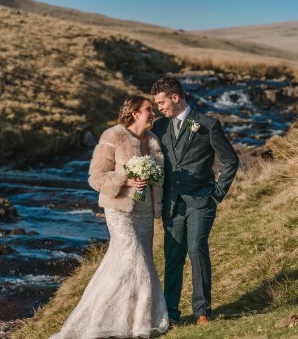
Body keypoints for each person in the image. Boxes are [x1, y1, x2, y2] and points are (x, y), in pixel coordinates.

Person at [50, 95, 168, 338]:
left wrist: (152, 181)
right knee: (138, 262)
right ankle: (138, 325)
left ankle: (124, 322)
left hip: (145, 212)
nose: (153, 113)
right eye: (148, 109)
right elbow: (96, 177)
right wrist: (126, 180)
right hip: (120, 211)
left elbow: (158, 179)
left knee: (123, 265)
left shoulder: (154, 140)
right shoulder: (112, 136)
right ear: (135, 113)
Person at [150, 76, 239, 327]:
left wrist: (217, 193)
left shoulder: (208, 125)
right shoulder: (159, 128)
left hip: (202, 202)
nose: (160, 107)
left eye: (161, 102)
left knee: (197, 250)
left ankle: (202, 312)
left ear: (175, 98)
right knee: (173, 256)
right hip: (172, 204)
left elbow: (230, 161)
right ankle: (171, 314)